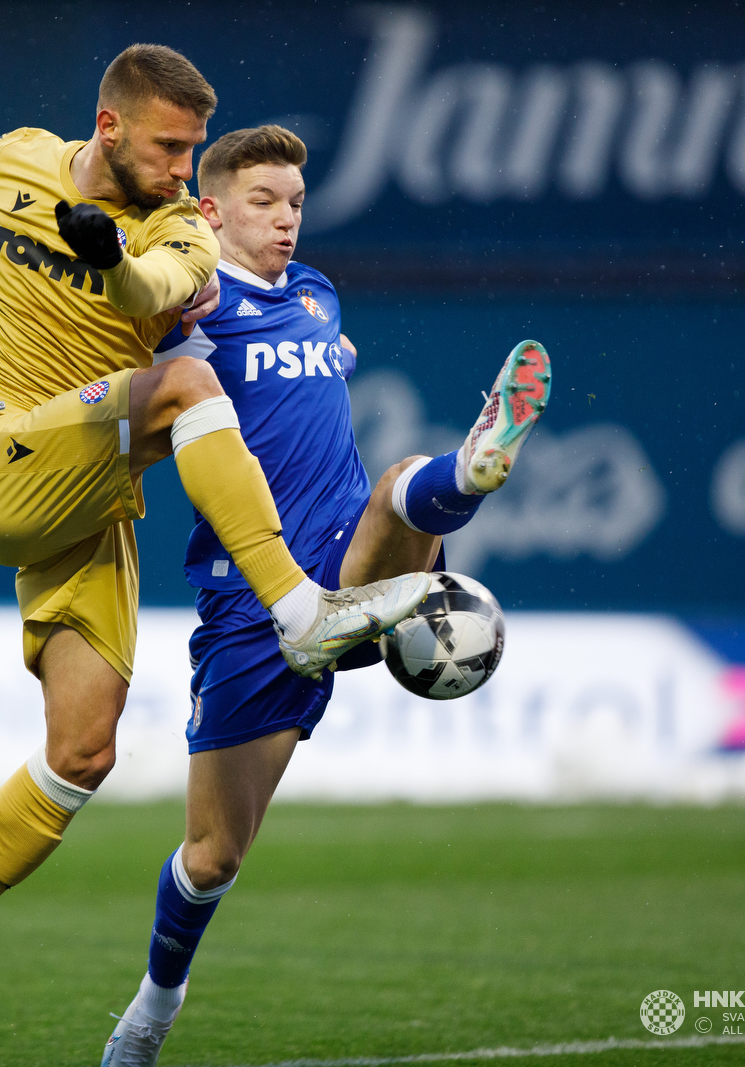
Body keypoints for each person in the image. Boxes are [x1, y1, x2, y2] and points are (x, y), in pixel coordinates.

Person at [0, 46, 436, 1059]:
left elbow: (149, 289)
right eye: (169, 148)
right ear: (108, 127)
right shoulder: (12, 158)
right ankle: (300, 608)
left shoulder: (178, 232)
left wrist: (109, 257)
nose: (183, 172)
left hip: (88, 501)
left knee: (83, 751)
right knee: (182, 387)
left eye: (191, 153)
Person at [98, 125, 550, 1063]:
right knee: (213, 856)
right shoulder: (186, 305)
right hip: (253, 600)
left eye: (296, 203)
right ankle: (152, 1008)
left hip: (352, 564)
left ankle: (467, 467)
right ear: (212, 210)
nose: (287, 220)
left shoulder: (314, 293)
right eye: (264, 202)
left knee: (394, 486)